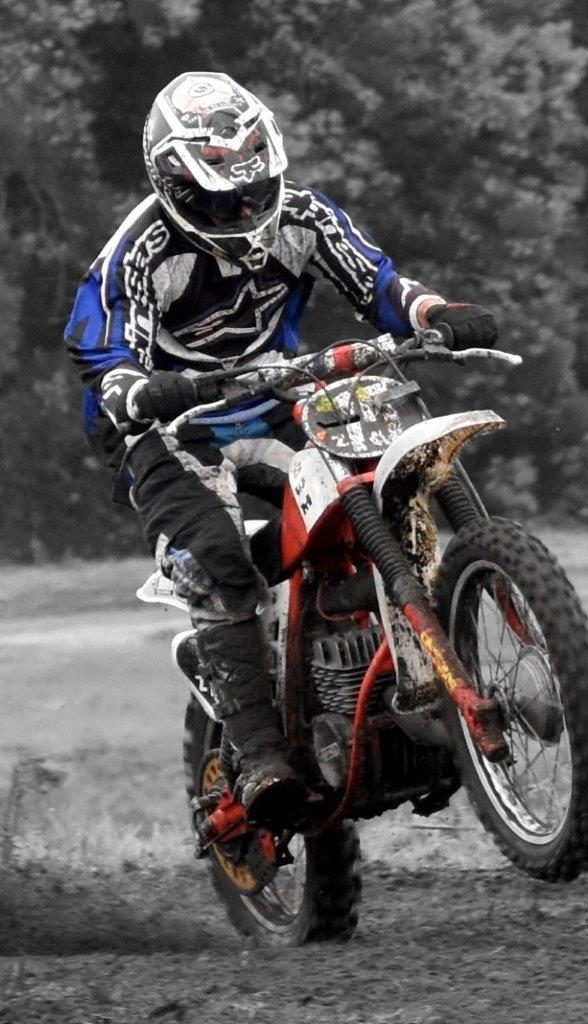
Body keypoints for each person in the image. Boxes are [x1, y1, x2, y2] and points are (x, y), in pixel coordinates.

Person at [64, 71, 497, 828]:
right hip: (167, 427)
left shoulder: (303, 215)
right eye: (220, 199)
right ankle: (262, 755)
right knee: (216, 557)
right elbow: (102, 351)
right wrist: (133, 387)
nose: (242, 208)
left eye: (254, 189)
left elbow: (379, 284)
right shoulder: (137, 251)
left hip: (274, 397)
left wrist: (436, 312)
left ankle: (405, 663)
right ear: (174, 186)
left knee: (374, 478)